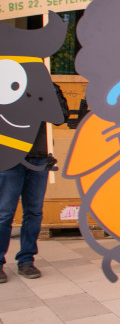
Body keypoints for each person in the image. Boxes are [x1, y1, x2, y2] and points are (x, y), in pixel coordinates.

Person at [0, 84, 68, 283]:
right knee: (4, 213)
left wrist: (47, 97)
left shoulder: (48, 87)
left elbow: (61, 116)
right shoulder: (6, 81)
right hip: (10, 156)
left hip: (38, 156)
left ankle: (26, 260)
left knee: (34, 211)